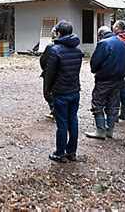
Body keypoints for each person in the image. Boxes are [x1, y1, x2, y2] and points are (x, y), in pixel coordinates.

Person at [44, 21, 83, 163]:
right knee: (73, 120)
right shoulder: (78, 50)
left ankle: (60, 153)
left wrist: (47, 90)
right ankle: (72, 152)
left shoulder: (55, 50)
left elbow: (50, 74)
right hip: (74, 91)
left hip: (61, 92)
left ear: (59, 33)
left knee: (62, 123)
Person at [86, 26, 125, 140]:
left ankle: (100, 130)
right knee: (112, 103)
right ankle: (110, 130)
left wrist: (95, 70)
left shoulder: (104, 43)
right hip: (120, 79)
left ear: (101, 34)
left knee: (98, 103)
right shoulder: (123, 43)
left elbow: (95, 62)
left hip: (105, 79)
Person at [39, 27, 57, 120]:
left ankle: (55, 112)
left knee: (48, 93)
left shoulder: (51, 46)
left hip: (50, 74)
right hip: (66, 76)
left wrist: (45, 69)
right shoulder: (74, 46)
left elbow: (43, 60)